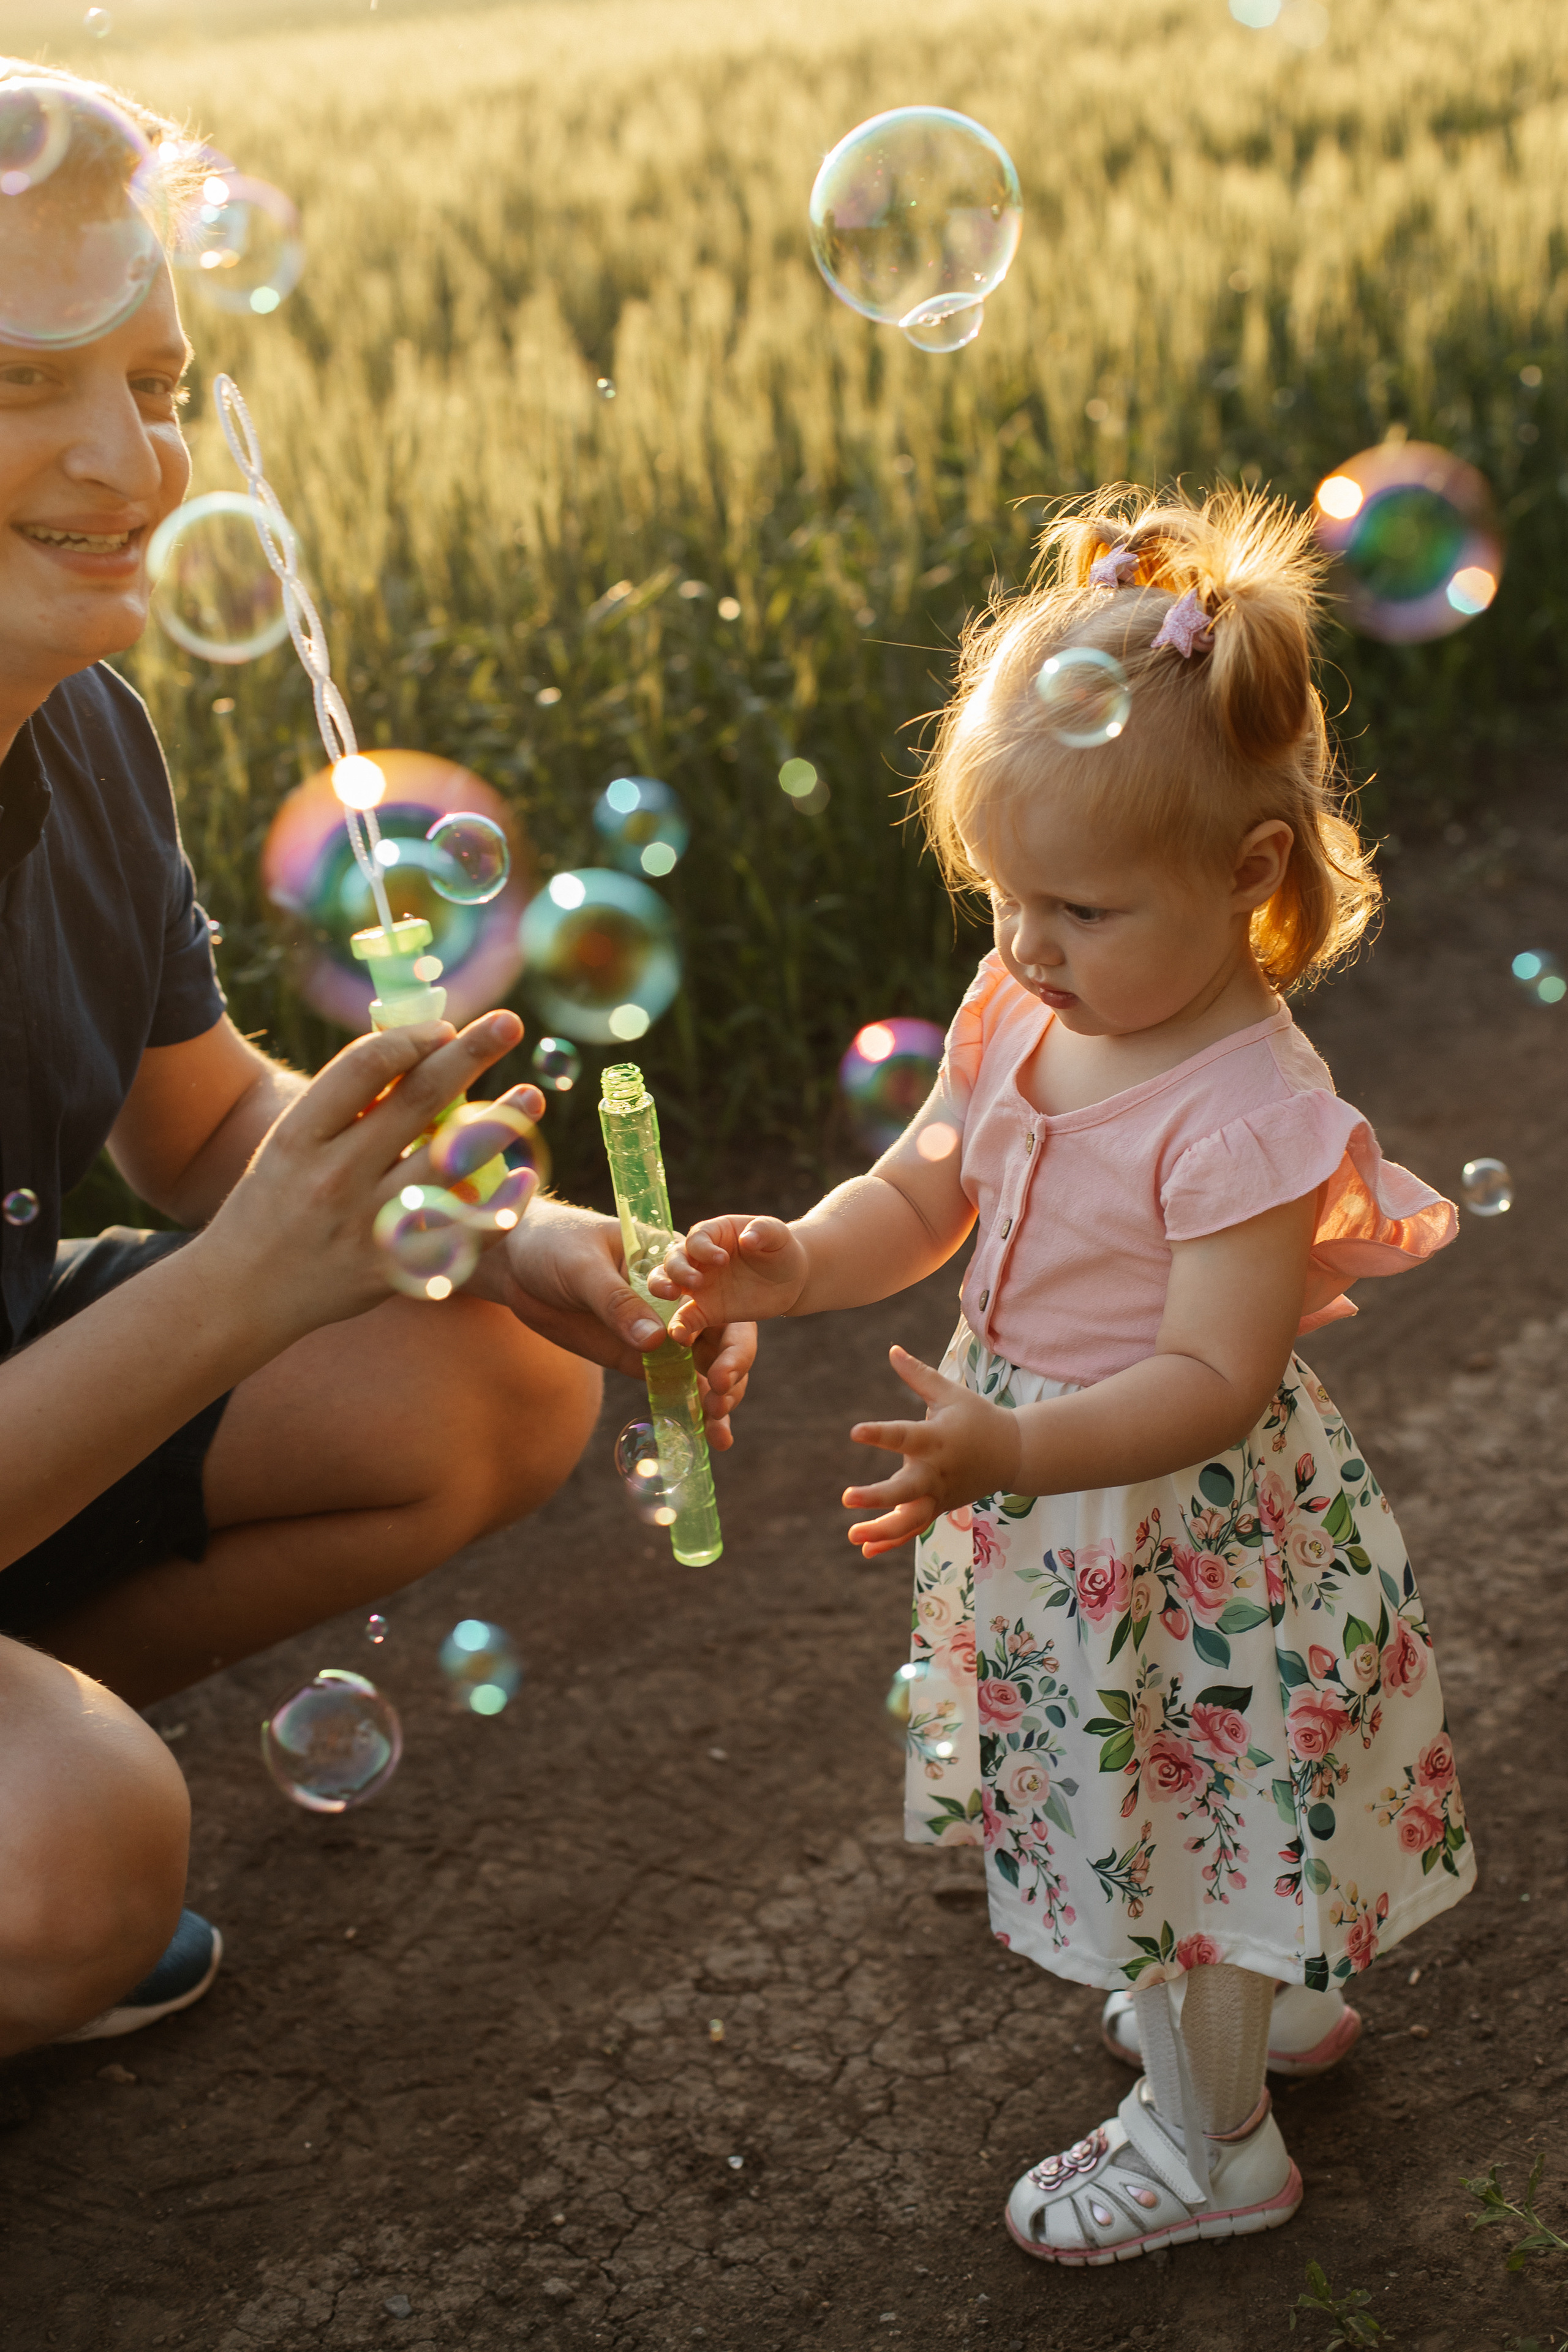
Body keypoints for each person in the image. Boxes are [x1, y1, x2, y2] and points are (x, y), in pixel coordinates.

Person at [0, 62, 753, 2062]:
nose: (126, 457)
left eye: (155, 385)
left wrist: (505, 1232)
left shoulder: (81, 731)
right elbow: (225, 1242)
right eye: (20, 385)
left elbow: (198, 1126)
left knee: (487, 1367)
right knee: (74, 1858)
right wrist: (251, 1280)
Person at [650, 489, 1473, 2264]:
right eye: (1003, 896)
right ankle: (1268, 2004)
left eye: (1079, 908)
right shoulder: (1029, 1006)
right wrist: (793, 1260)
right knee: (1199, 1812)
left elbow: (1216, 1377)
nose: (1026, 945)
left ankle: (1214, 2146)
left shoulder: (1249, 1111)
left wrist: (1013, 1440)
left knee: (1171, 1819)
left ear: (1252, 873)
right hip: (1045, 1489)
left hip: (1163, 1528)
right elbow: (924, 1188)